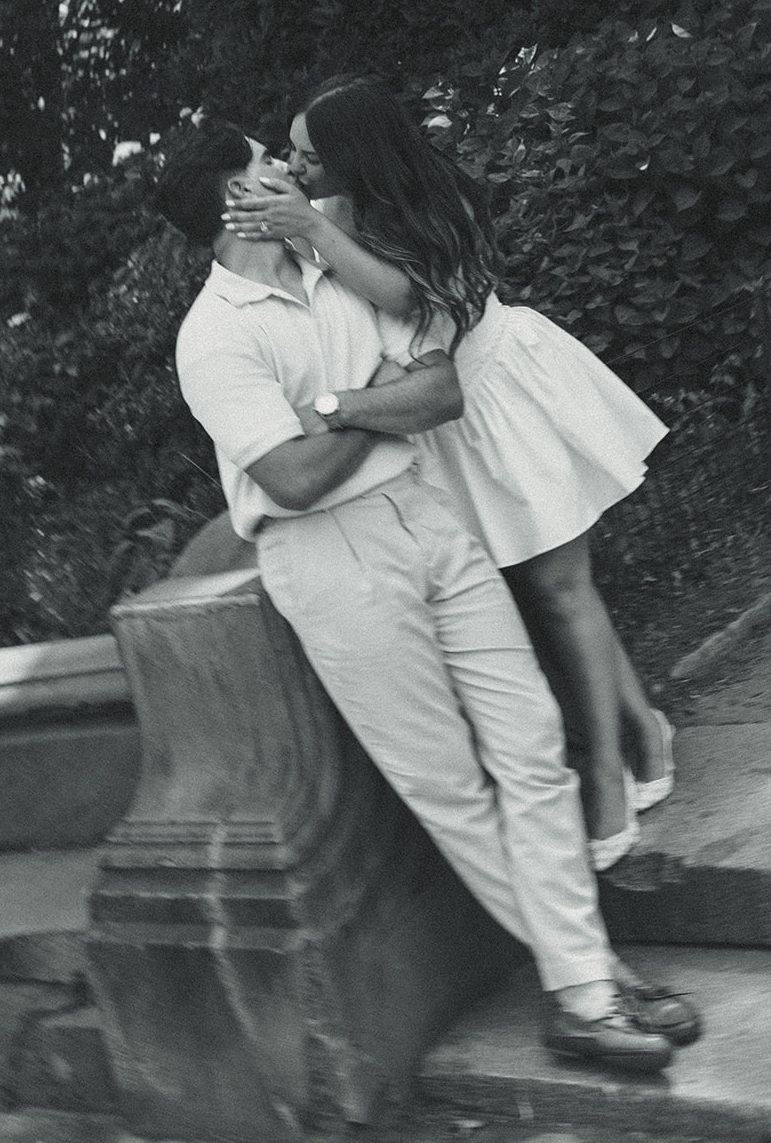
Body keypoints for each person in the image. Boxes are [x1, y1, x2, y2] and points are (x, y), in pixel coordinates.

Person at [157, 116, 700, 1072]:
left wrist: (332, 409)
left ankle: (588, 984)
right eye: (264, 163)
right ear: (233, 201)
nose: (286, 169)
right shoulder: (212, 339)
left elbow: (440, 393)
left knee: (532, 747)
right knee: (451, 788)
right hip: (333, 563)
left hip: (429, 519)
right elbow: (289, 482)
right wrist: (378, 398)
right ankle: (590, 984)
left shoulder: (341, 265)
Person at [221, 75, 673, 869]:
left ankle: (606, 772)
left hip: (502, 397)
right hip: (432, 425)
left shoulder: (442, 205)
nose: (294, 169)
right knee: (544, 599)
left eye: (307, 156)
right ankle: (647, 727)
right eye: (288, 154)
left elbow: (421, 304)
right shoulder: (322, 213)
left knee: (562, 591)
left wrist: (317, 234)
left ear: (356, 157)